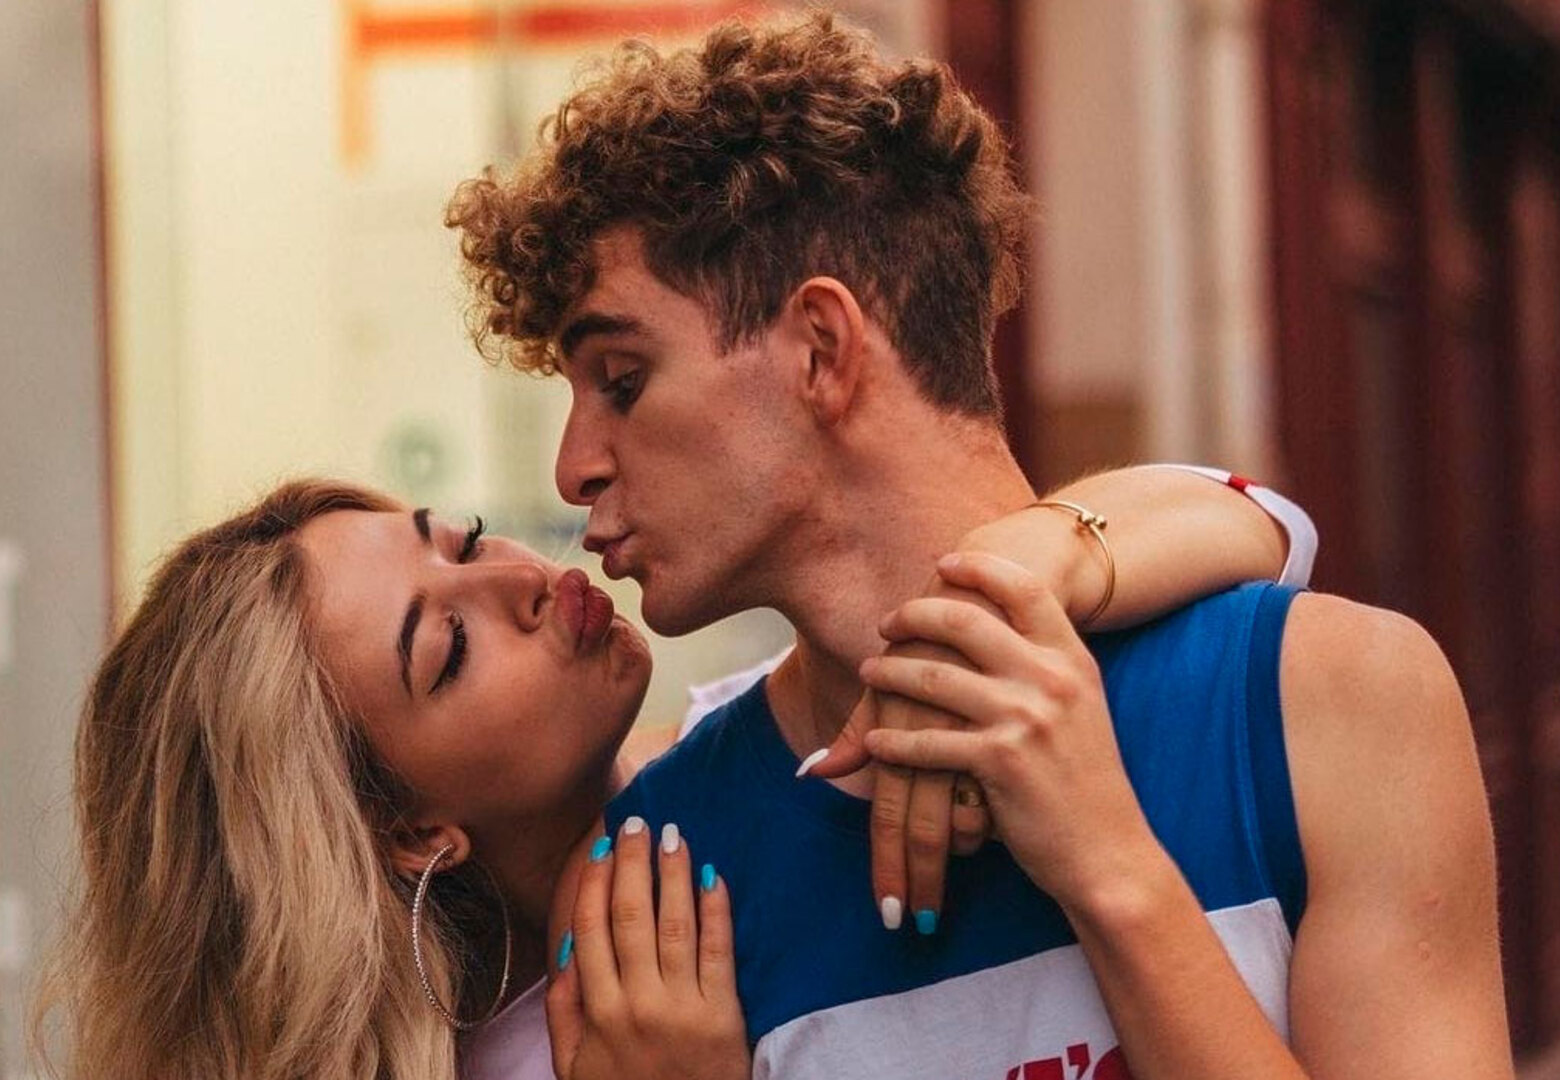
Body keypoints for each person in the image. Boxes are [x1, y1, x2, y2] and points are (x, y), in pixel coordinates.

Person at [445, 12, 1513, 1079]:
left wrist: (1111, 870)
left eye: (623, 381)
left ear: (821, 349)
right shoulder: (652, 882)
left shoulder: (1330, 702)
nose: (574, 468)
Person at [32, 471, 1306, 1080]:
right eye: (449, 648)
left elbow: (1262, 522)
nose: (521, 579)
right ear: (414, 830)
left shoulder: (784, 739)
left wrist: (1023, 563)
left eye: (461, 541)